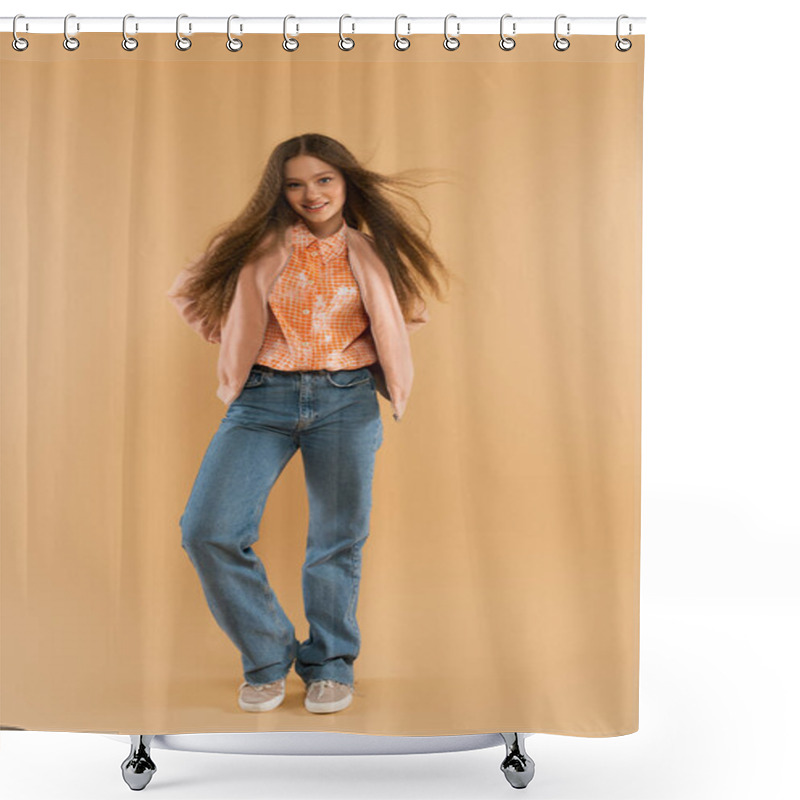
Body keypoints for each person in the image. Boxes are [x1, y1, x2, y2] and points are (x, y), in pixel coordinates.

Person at [166, 133, 449, 714]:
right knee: (208, 529)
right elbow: (190, 294)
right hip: (262, 399)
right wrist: (237, 344)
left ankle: (331, 664)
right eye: (295, 183)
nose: (310, 193)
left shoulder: (373, 251)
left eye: (323, 180)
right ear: (280, 190)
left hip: (345, 400)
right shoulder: (253, 245)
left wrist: (370, 348)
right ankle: (269, 657)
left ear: (346, 182)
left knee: (336, 540)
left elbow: (406, 313)